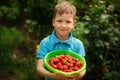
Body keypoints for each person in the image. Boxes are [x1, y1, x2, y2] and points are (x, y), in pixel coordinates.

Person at [36, 1, 86, 80]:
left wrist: (75, 77)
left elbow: (83, 69)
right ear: (53, 22)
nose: (63, 25)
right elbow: (39, 69)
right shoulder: (45, 43)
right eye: (59, 21)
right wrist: (53, 76)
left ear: (73, 24)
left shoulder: (78, 44)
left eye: (68, 22)